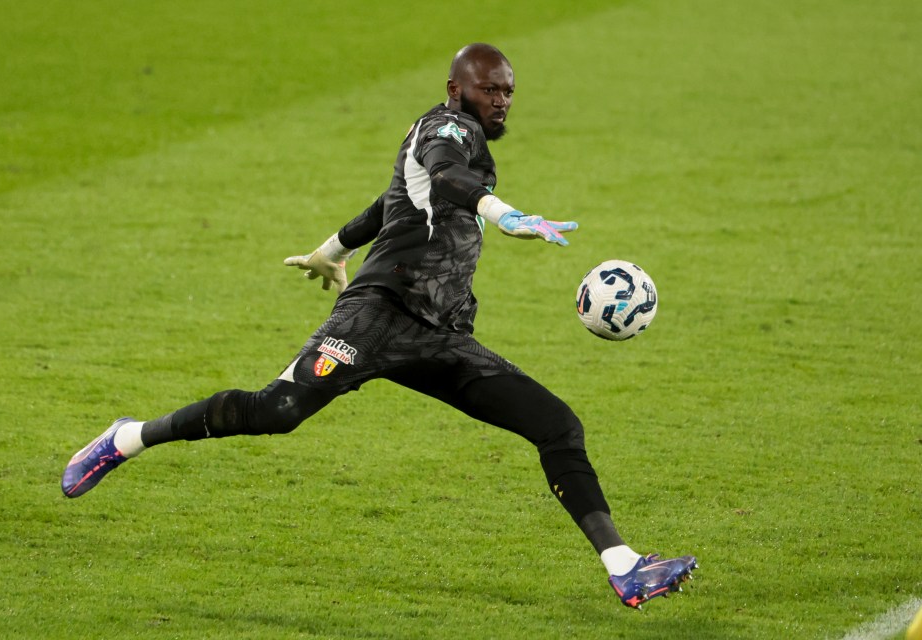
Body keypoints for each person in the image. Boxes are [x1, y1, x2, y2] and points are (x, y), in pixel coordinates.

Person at [61, 43, 697, 609]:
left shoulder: (444, 136)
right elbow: (449, 179)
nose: (500, 101)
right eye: (489, 89)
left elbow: (391, 203)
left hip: (438, 336)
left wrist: (329, 250)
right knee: (278, 410)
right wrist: (504, 215)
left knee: (557, 425)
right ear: (457, 90)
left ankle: (625, 567)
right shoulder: (450, 129)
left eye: (507, 91)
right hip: (375, 317)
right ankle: (127, 438)